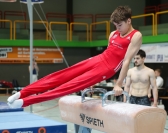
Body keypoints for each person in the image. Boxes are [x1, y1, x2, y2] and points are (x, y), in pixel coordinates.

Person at [7, 6, 142, 108]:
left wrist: (118, 84)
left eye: (120, 25)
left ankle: (25, 101)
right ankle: (23, 92)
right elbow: (107, 52)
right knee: (63, 75)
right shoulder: (113, 34)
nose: (117, 28)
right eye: (116, 25)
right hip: (99, 59)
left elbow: (126, 61)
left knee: (70, 86)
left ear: (129, 21)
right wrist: (91, 82)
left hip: (107, 68)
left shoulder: (136, 36)